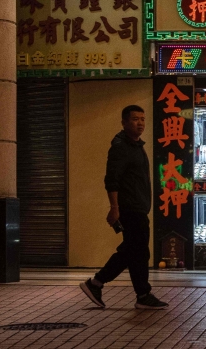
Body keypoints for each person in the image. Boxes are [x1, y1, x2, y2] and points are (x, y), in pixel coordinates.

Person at [80, 105, 167, 310]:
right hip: (129, 208)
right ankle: (103, 284)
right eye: (135, 119)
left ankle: (135, 293)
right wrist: (114, 207)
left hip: (138, 207)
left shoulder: (136, 145)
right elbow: (111, 180)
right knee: (134, 251)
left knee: (135, 251)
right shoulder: (120, 146)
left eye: (143, 119)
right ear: (124, 122)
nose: (140, 123)